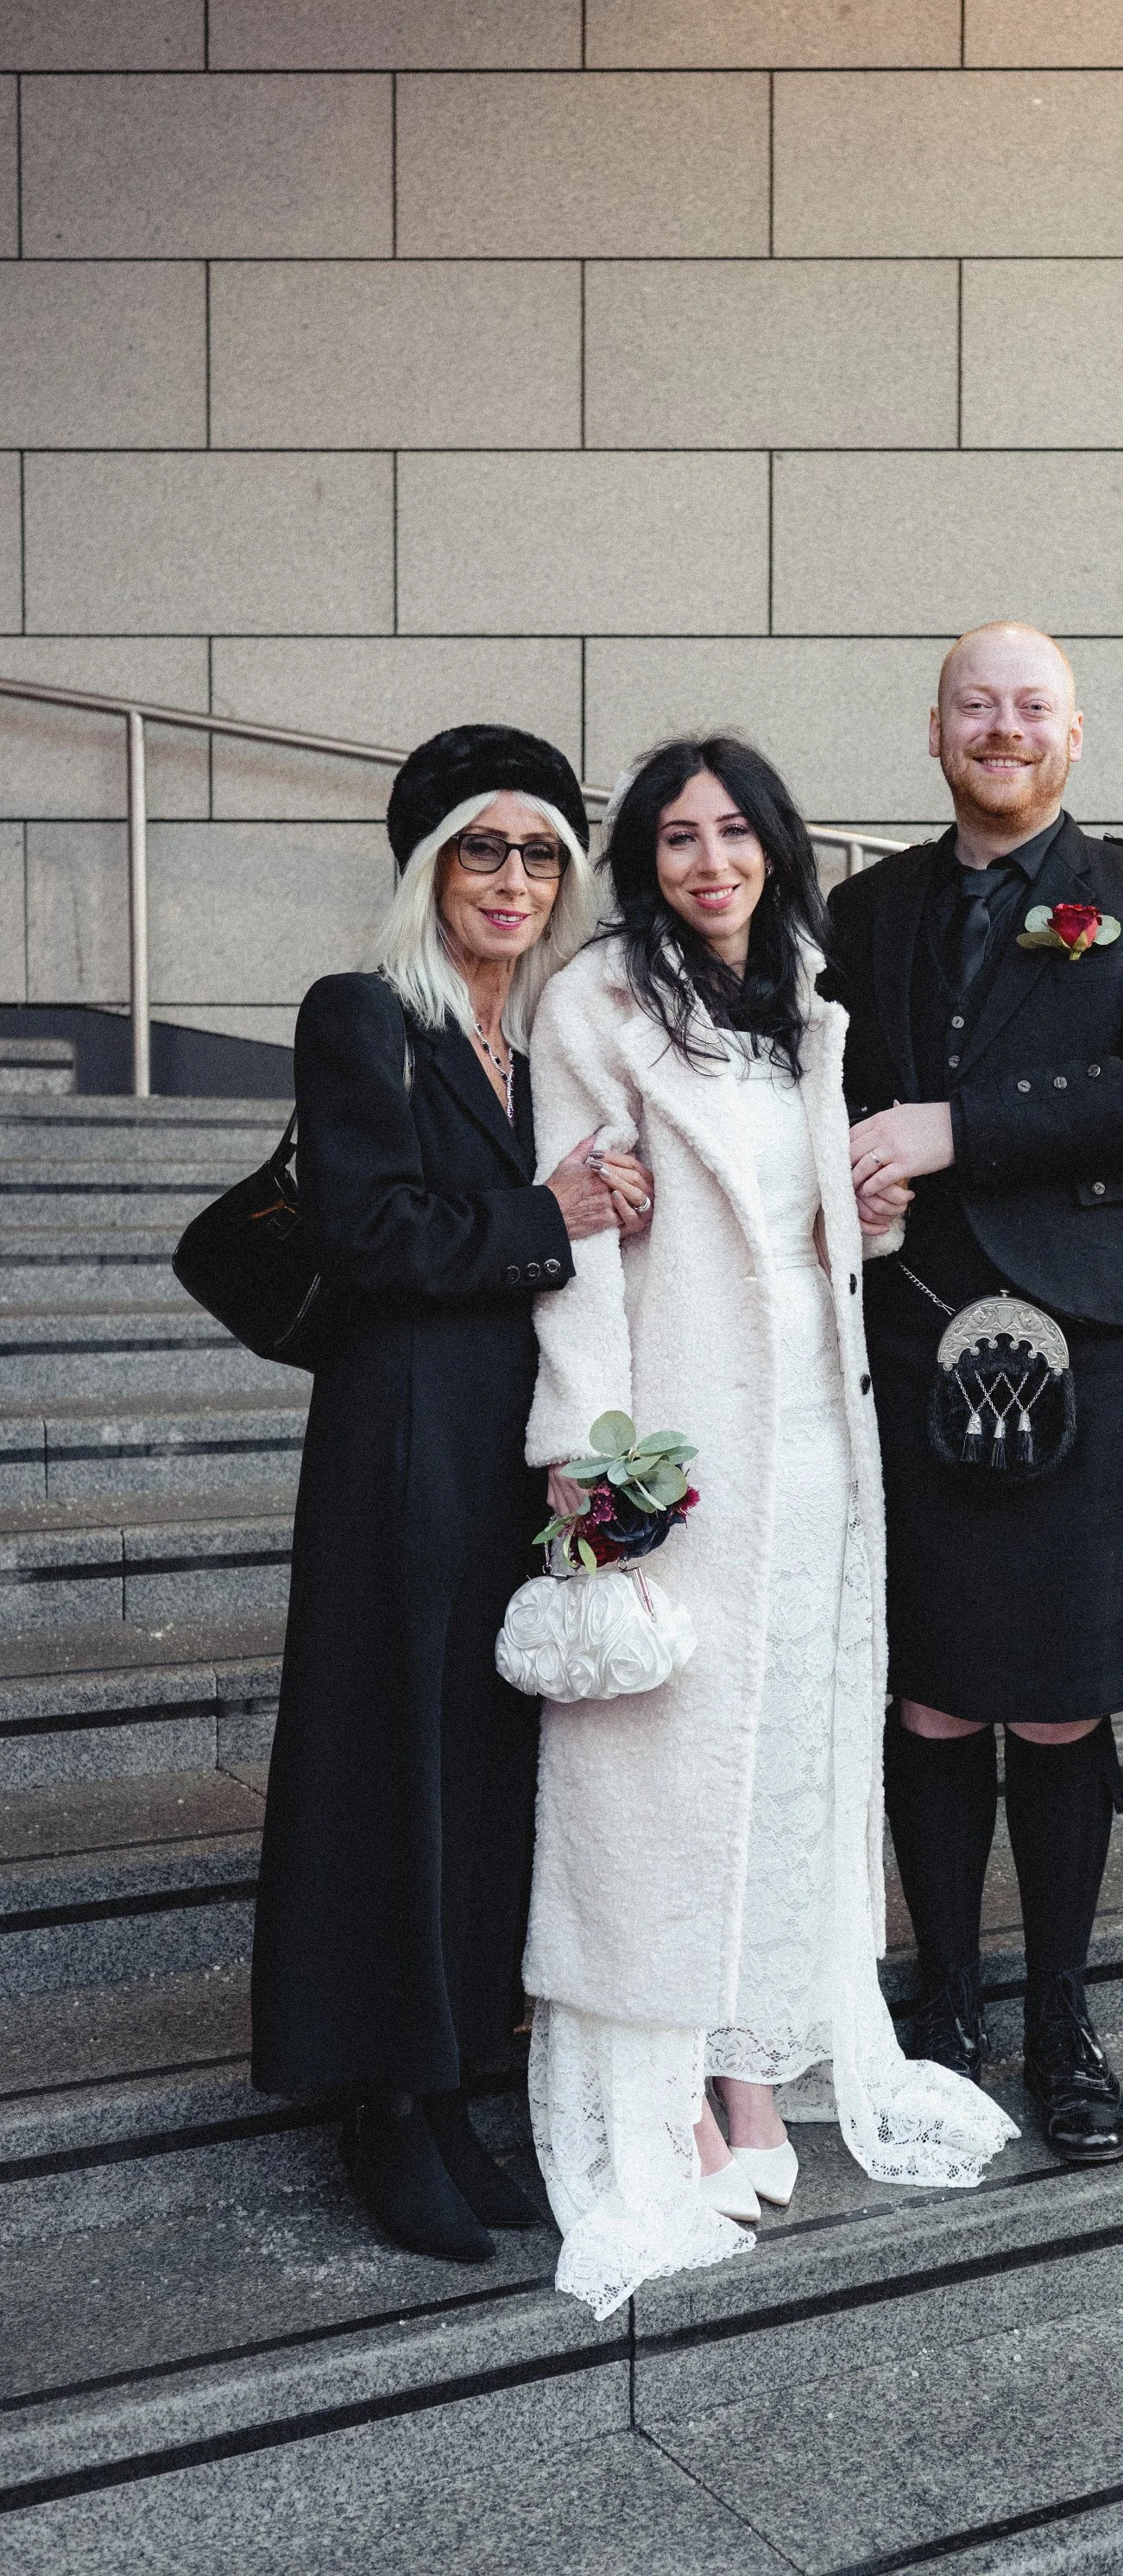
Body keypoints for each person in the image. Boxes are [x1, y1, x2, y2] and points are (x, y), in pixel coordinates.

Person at [520, 733, 1015, 2317]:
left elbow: (816, 1209)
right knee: (670, 1762)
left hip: (816, 1421)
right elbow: (579, 1236)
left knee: (793, 1744)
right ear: (643, 862)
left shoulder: (799, 992)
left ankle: (755, 2071)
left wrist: (864, 1211)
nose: (710, 862)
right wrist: (587, 1451)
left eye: (735, 833)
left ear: (775, 848)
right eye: (676, 839)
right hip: (679, 1418)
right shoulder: (598, 1001)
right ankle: (661, 2075)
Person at [251, 724, 654, 2264]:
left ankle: (459, 2078)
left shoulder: (548, 1035)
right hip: (401, 1439)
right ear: (430, 868)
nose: (512, 878)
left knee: (486, 1760)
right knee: (392, 1756)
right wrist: (547, 1216)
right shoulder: (365, 1015)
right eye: (482, 850)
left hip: (514, 1443)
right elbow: (374, 1235)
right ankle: (385, 2101)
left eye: (541, 852)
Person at [830, 621, 1123, 2165]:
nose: (1005, 728)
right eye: (976, 706)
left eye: (1032, 707)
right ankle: (943, 2007)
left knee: (1061, 1707)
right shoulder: (864, 907)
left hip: (1097, 1342)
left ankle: (1059, 2013)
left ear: (1078, 734)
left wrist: (950, 1130)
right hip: (914, 1332)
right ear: (933, 731)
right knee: (927, 1692)